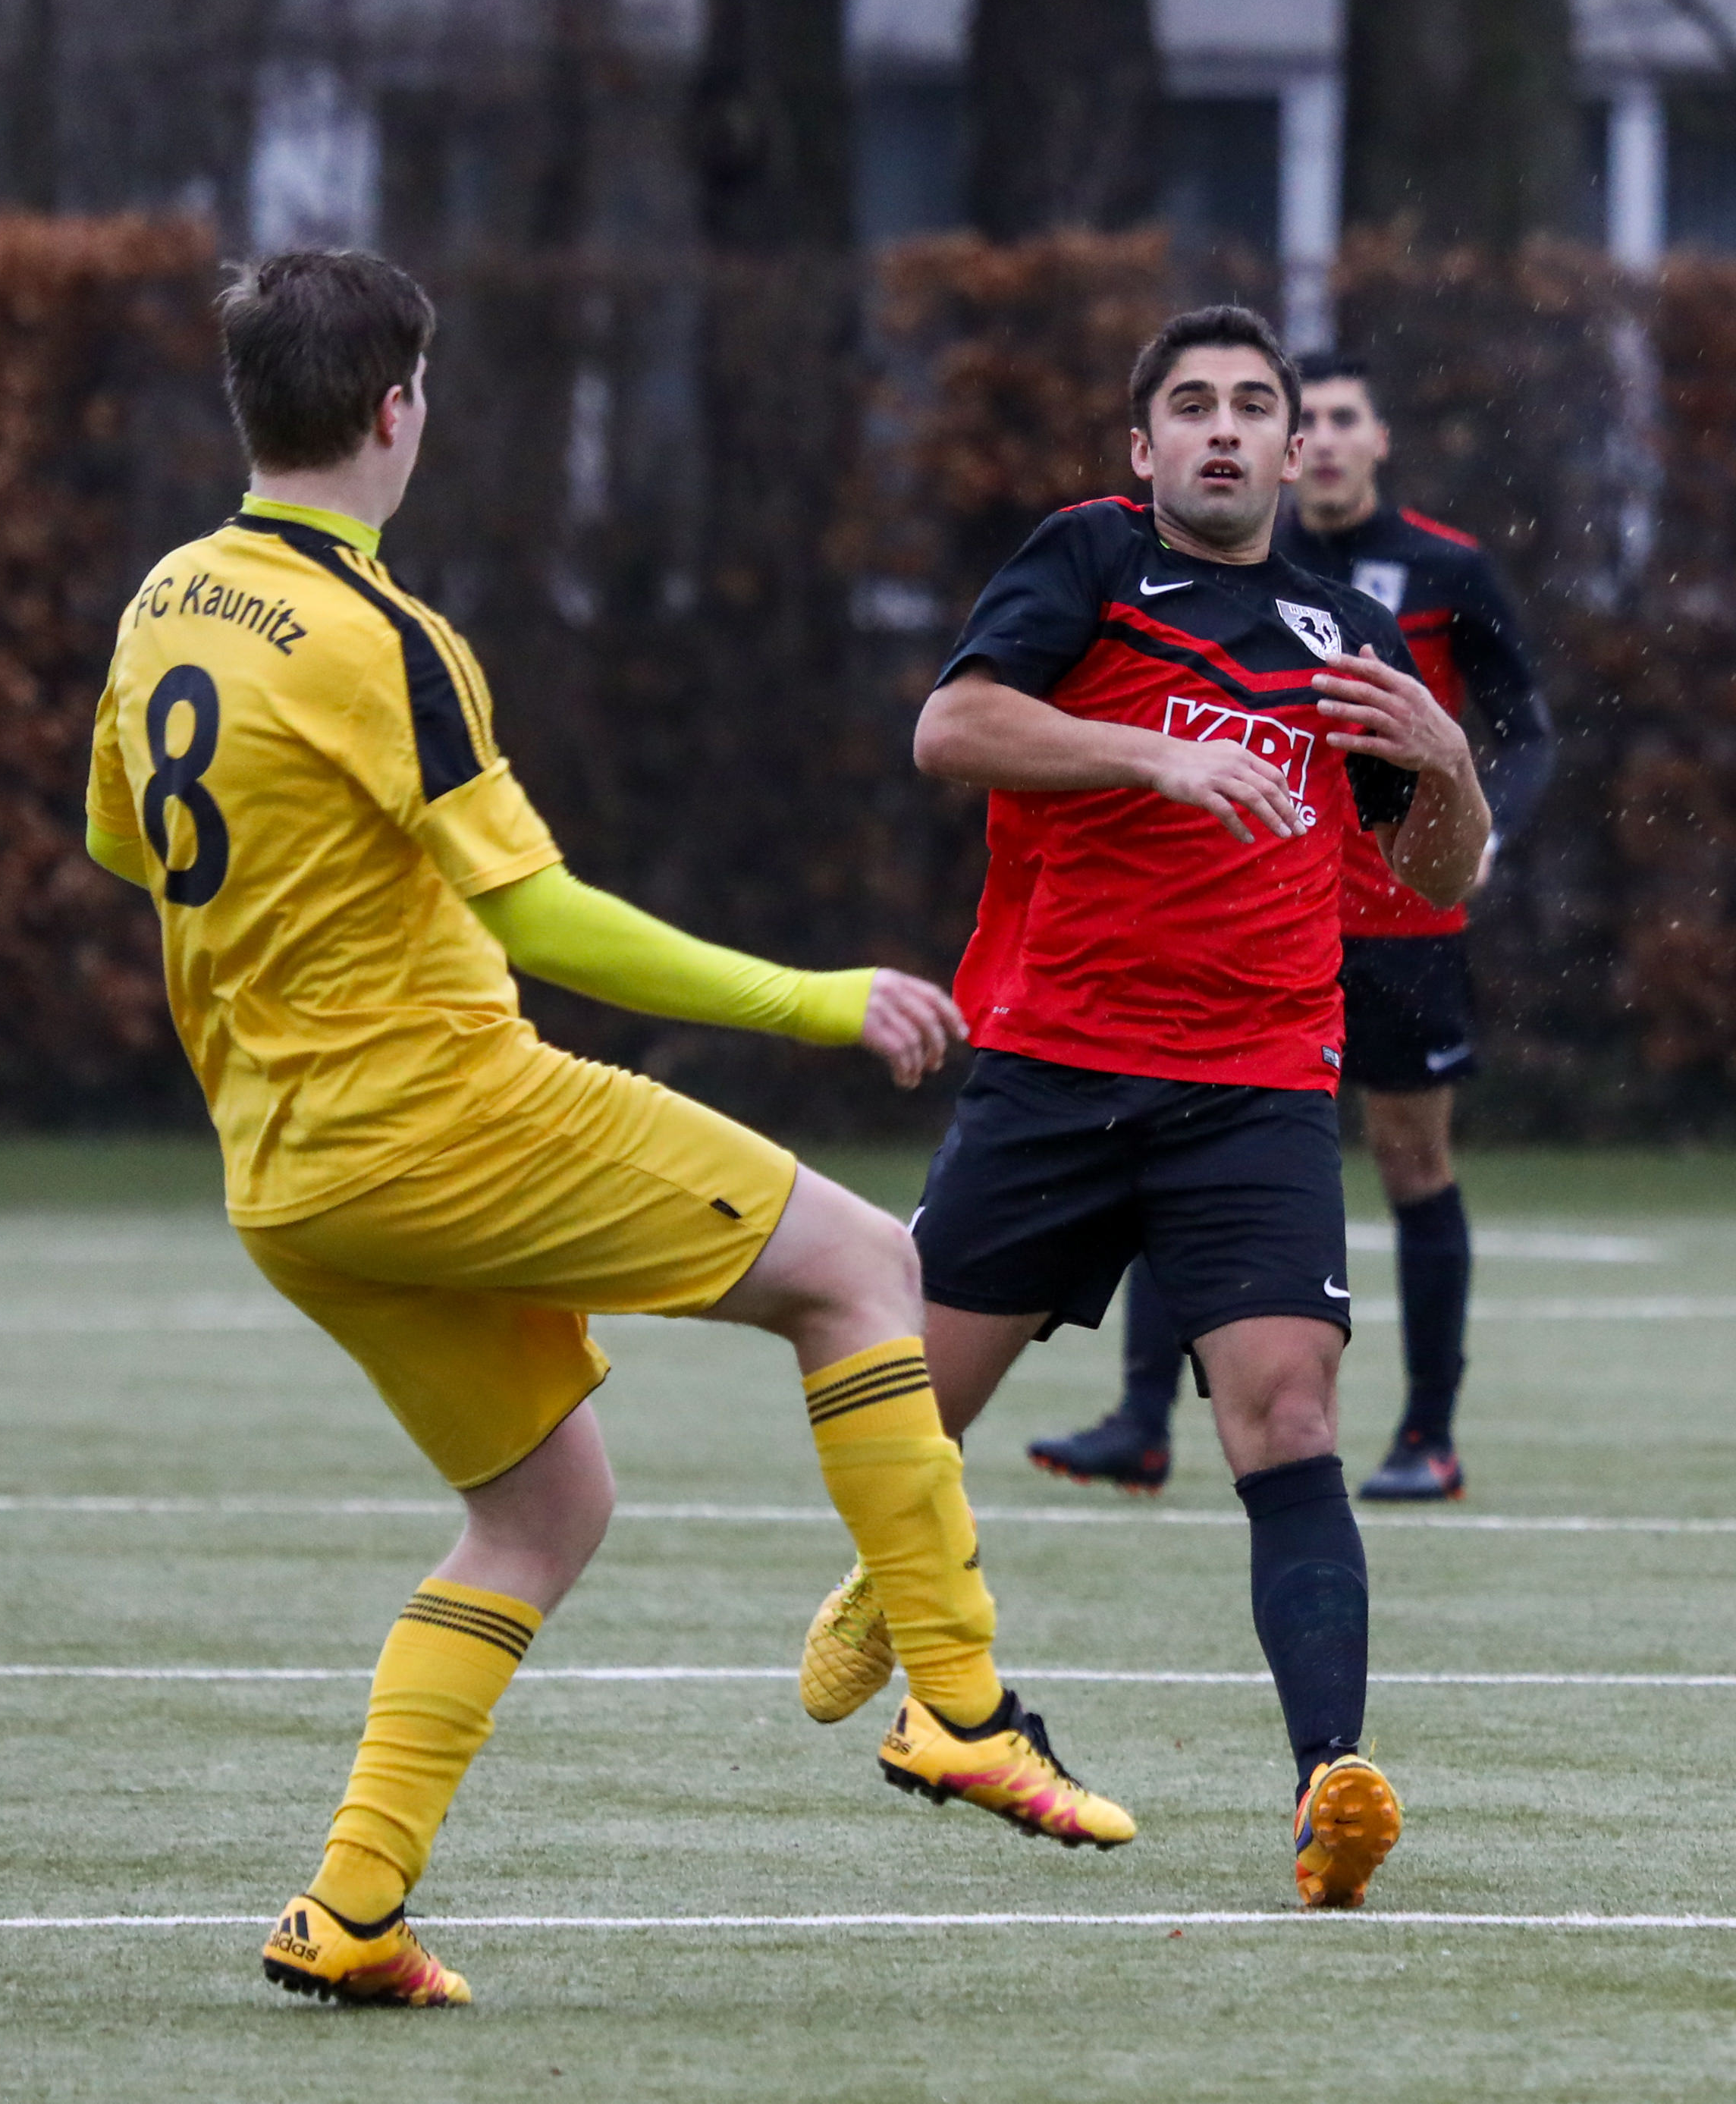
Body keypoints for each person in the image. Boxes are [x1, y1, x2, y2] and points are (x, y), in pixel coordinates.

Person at [86, 251, 1127, 2011]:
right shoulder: (385, 640)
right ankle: (958, 1707)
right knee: (866, 1267)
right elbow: (541, 917)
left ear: (248, 407)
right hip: (443, 1119)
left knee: (540, 1511)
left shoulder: (164, 599)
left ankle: (348, 1909)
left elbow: (126, 844)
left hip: (285, 1176)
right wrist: (813, 999)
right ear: (399, 407)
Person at [794, 306, 1493, 1911]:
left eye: (1253, 407)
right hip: (1058, 1063)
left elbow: (1437, 876)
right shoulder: (1093, 559)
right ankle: (899, 1585)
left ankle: (1329, 1786)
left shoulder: (1343, 639)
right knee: (908, 1403)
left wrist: (1448, 761)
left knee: (1288, 1418)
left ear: (1296, 450)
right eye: (1193, 406)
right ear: (1144, 445)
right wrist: (1152, 757)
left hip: (1257, 1082)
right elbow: (951, 728)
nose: (1225, 429)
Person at [1028, 350, 1553, 1506]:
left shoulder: (1444, 568)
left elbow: (1526, 727)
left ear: (1361, 441)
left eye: (1347, 417)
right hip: (1247, 919)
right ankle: (1143, 1418)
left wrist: (1486, 829)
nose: (1324, 440)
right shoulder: (1233, 558)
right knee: (1180, 1137)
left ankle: (1429, 1433)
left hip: (1401, 922)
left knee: (1412, 1157)